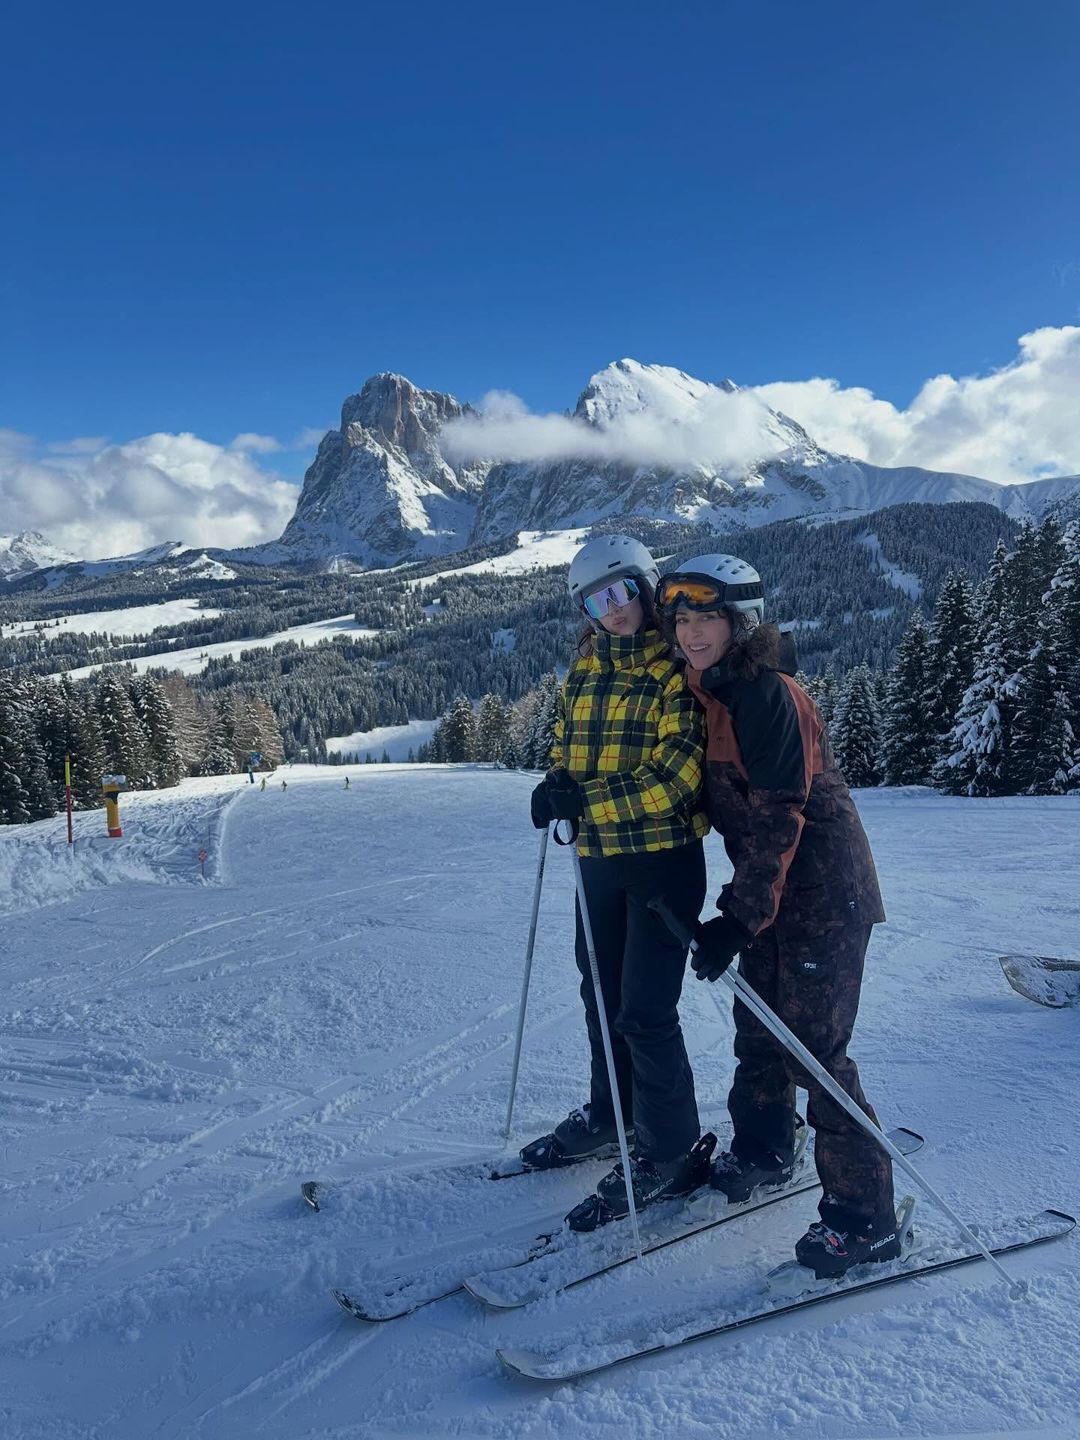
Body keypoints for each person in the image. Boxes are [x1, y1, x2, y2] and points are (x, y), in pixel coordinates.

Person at [654, 553, 895, 1279]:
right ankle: (764, 1148)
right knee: (758, 1030)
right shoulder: (708, 689)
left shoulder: (767, 696)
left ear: (741, 622)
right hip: (772, 897)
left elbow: (779, 818)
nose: (693, 631)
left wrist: (737, 917)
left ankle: (866, 1219)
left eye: (708, 617)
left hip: (824, 894)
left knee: (815, 1052)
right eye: (683, 618)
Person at [524, 535, 712, 1228]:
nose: (613, 611)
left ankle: (669, 1148)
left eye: (622, 592)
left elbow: (676, 779)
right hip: (598, 861)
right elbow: (565, 744)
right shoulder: (585, 670)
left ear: (646, 589)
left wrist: (587, 803)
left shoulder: (674, 673)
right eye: (596, 600)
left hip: (661, 860)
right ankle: (614, 1114)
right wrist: (555, 783)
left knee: (646, 1010)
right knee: (598, 993)